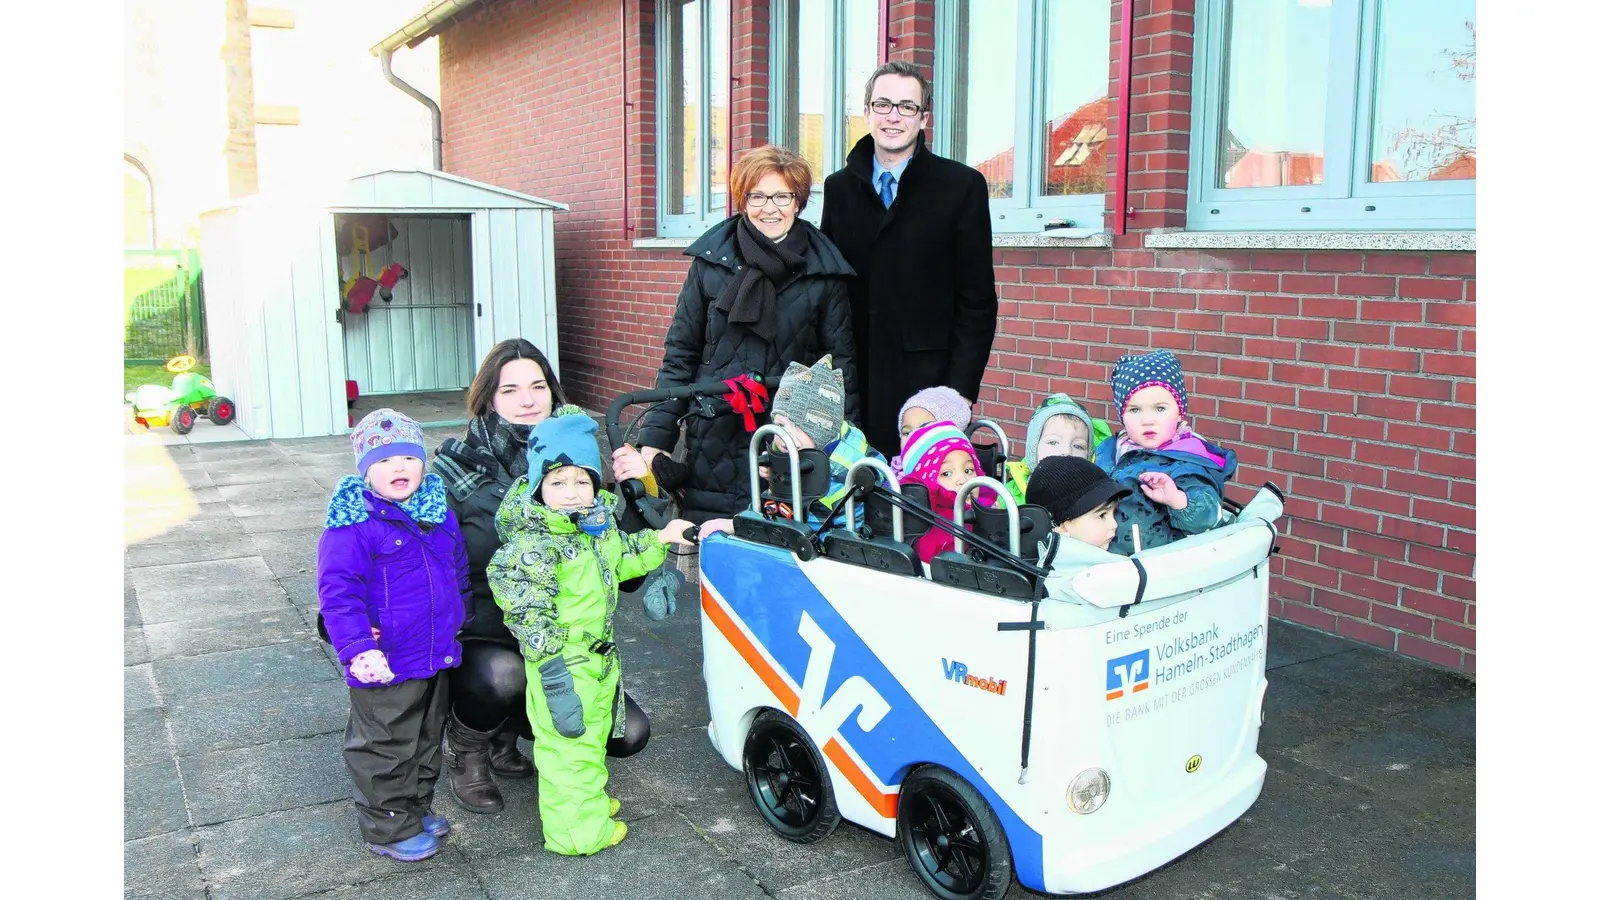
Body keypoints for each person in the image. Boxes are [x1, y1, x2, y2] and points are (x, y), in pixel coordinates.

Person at [429, 339, 653, 814]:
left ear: (553, 392)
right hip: (485, 635)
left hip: (567, 645)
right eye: (509, 390)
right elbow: (413, 554)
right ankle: (468, 746)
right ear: (487, 398)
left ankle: (509, 731)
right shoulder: (455, 471)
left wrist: (635, 492)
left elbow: (626, 577)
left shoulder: (576, 467)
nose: (527, 400)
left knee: (630, 734)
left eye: (537, 386)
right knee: (504, 677)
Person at [487, 407, 696, 855]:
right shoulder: (533, 544)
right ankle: (578, 834)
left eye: (581, 480)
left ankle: (588, 805)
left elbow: (622, 559)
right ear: (537, 487)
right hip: (563, 663)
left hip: (599, 662)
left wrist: (662, 539)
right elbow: (528, 613)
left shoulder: (593, 530)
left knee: (592, 739)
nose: (570, 492)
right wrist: (554, 673)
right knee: (568, 753)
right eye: (557, 482)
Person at [634, 145, 859, 524]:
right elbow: (680, 354)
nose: (769, 208)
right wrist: (655, 440)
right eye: (757, 196)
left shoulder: (824, 273)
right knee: (713, 549)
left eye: (782, 196)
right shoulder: (710, 264)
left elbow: (840, 370)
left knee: (782, 553)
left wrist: (840, 449)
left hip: (789, 440)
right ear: (742, 199)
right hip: (714, 431)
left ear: (798, 201)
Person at [821, 60, 998, 454]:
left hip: (927, 387)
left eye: (907, 107)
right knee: (851, 496)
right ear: (867, 111)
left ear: (923, 118)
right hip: (855, 381)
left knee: (919, 502)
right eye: (883, 104)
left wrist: (958, 390)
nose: (893, 117)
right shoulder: (838, 189)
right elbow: (828, 290)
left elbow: (978, 299)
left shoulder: (961, 186)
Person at [317, 409, 470, 862]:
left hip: (434, 651)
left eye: (407, 457)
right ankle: (387, 826)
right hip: (384, 658)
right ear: (366, 471)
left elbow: (457, 568)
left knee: (425, 736)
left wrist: (462, 614)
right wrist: (358, 646)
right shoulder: (352, 525)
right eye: (383, 461)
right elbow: (338, 593)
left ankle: (413, 809)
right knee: (385, 743)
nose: (398, 468)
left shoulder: (436, 513)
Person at [1093, 350, 1238, 555]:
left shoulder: (1187, 458)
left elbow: (1210, 517)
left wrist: (1177, 499)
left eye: (1159, 408)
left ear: (1179, 412)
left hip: (1159, 572)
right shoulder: (1108, 451)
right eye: (1135, 410)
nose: (1147, 420)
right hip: (1106, 565)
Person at [764, 355, 884, 524]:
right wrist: (775, 466)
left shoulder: (846, 464)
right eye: (780, 425)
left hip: (839, 534)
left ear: (822, 429)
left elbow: (811, 517)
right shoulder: (800, 445)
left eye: (798, 427)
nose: (786, 437)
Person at [896, 420, 997, 565]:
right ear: (923, 482)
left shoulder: (989, 507)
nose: (963, 480)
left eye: (968, 470)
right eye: (947, 473)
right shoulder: (926, 528)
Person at [1004, 393, 1113, 504]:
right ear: (1033, 450)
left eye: (1078, 446)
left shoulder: (1094, 500)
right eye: (1053, 442)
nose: (1066, 452)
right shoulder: (1008, 496)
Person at [1025, 455, 1131, 553]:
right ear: (1060, 527)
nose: (1114, 524)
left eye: (1114, 512)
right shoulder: (1059, 573)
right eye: (1102, 515)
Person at [891, 385, 971, 470]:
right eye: (907, 433)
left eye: (925, 432)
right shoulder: (893, 472)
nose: (913, 439)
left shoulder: (957, 477)